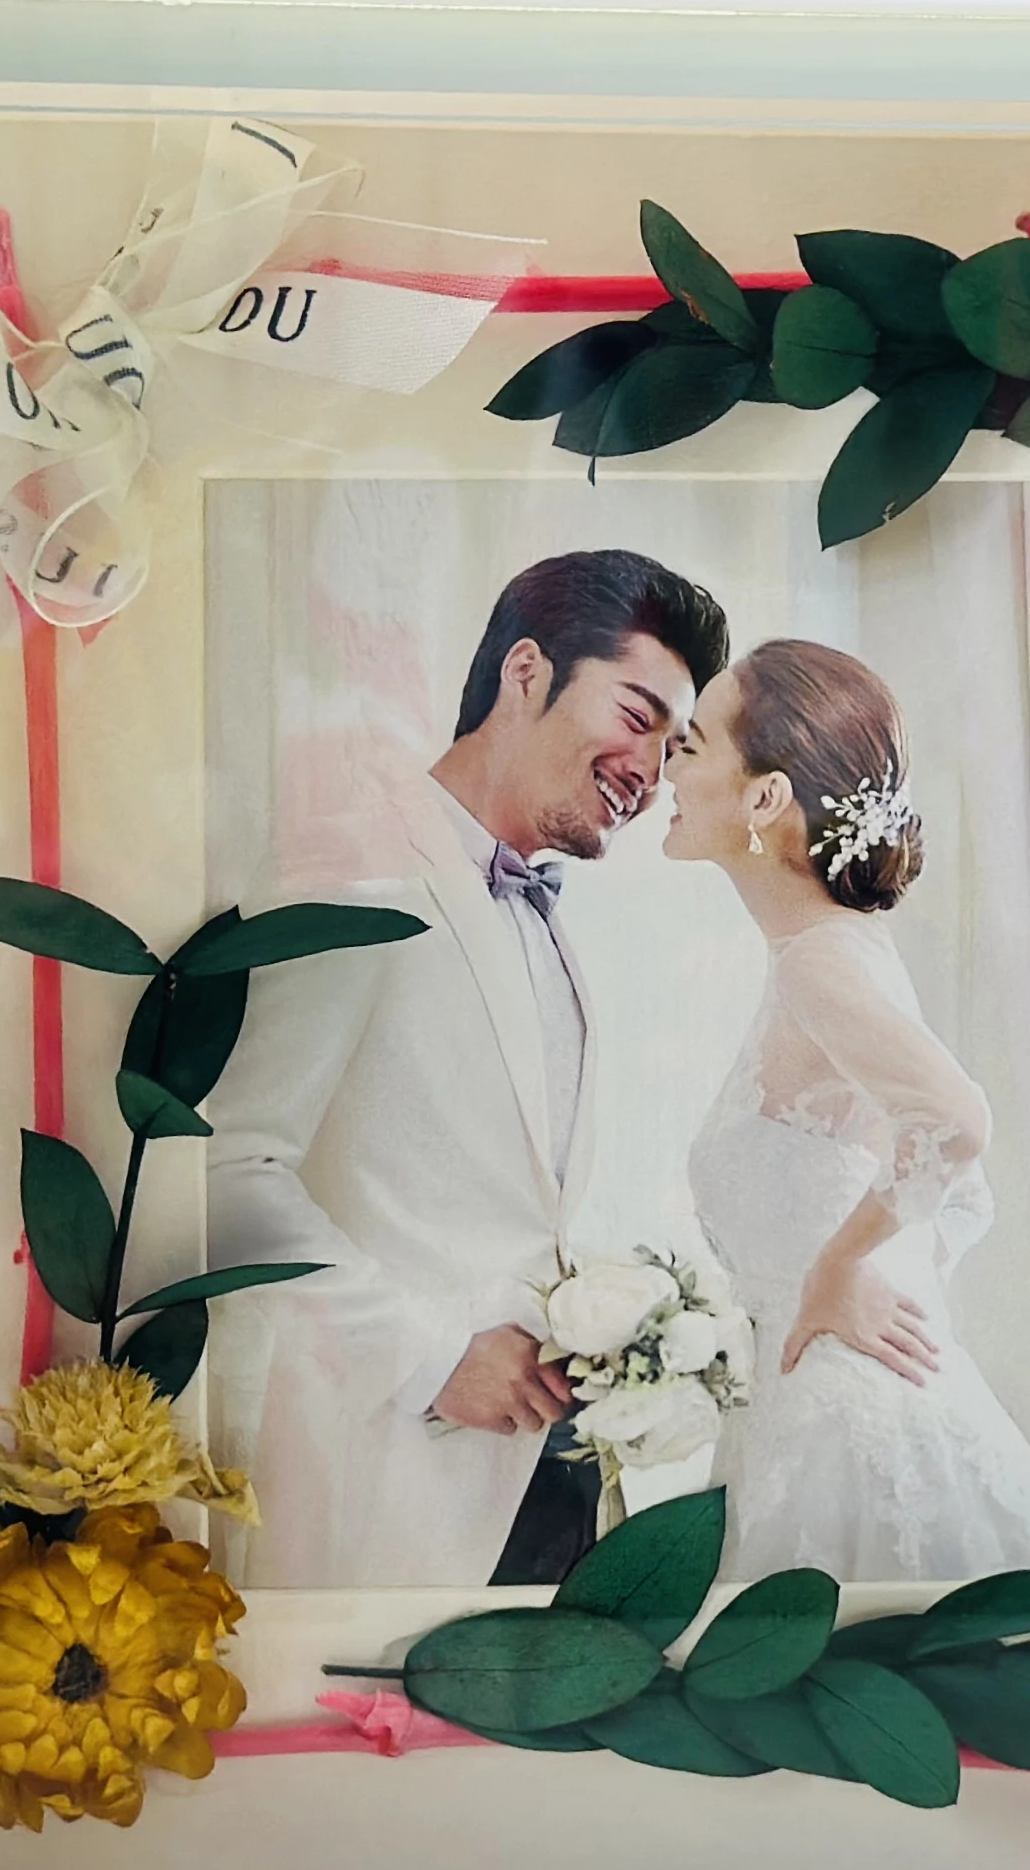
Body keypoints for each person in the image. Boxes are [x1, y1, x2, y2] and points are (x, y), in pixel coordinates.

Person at [203, 549, 728, 1587]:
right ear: (525, 671)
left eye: (672, 747)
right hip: (392, 1481)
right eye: (637, 717)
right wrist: (430, 1354)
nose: (651, 770)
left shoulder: (550, 917)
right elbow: (227, 1172)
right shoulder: (351, 863)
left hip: (551, 1481)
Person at [660, 639, 1030, 1583]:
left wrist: (839, 1266)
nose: (668, 761)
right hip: (810, 1405)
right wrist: (878, 1270)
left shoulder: (820, 962)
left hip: (847, 1421)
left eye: (692, 743)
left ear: (764, 797)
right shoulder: (830, 951)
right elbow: (955, 1192)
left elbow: (956, 1122)